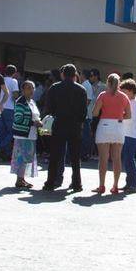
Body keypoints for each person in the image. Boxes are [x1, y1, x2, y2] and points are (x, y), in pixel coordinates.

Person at [43, 63, 89, 191]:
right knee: (75, 157)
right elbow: (83, 112)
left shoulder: (54, 88)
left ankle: (50, 182)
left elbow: (49, 108)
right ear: (75, 75)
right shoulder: (81, 90)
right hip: (74, 126)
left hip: (58, 124)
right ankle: (76, 183)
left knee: (55, 156)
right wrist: (79, 122)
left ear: (62, 74)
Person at [92, 72, 131, 194]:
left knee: (103, 158)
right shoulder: (124, 97)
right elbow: (129, 115)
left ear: (108, 83)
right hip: (118, 126)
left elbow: (95, 113)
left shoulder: (103, 95)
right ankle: (115, 186)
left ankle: (101, 185)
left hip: (104, 125)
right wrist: (118, 116)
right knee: (117, 158)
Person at [9, 80, 42, 188]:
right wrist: (33, 123)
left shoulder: (32, 102)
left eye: (32, 88)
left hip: (31, 134)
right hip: (23, 134)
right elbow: (18, 118)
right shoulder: (20, 102)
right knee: (21, 157)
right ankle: (19, 179)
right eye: (28, 88)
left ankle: (22, 178)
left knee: (28, 157)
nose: (31, 90)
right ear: (22, 90)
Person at [120, 79, 136, 192]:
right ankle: (129, 183)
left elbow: (129, 119)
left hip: (131, 135)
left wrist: (118, 117)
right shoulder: (131, 102)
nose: (122, 93)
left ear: (131, 91)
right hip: (128, 134)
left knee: (129, 159)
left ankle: (133, 184)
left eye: (124, 91)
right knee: (127, 160)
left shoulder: (135, 103)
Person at [0, 64, 20, 161]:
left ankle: (5, 153)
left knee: (1, 131)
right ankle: (1, 147)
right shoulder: (13, 81)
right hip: (10, 108)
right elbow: (15, 95)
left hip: (0, 107)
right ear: (14, 73)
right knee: (11, 131)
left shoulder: (0, 80)